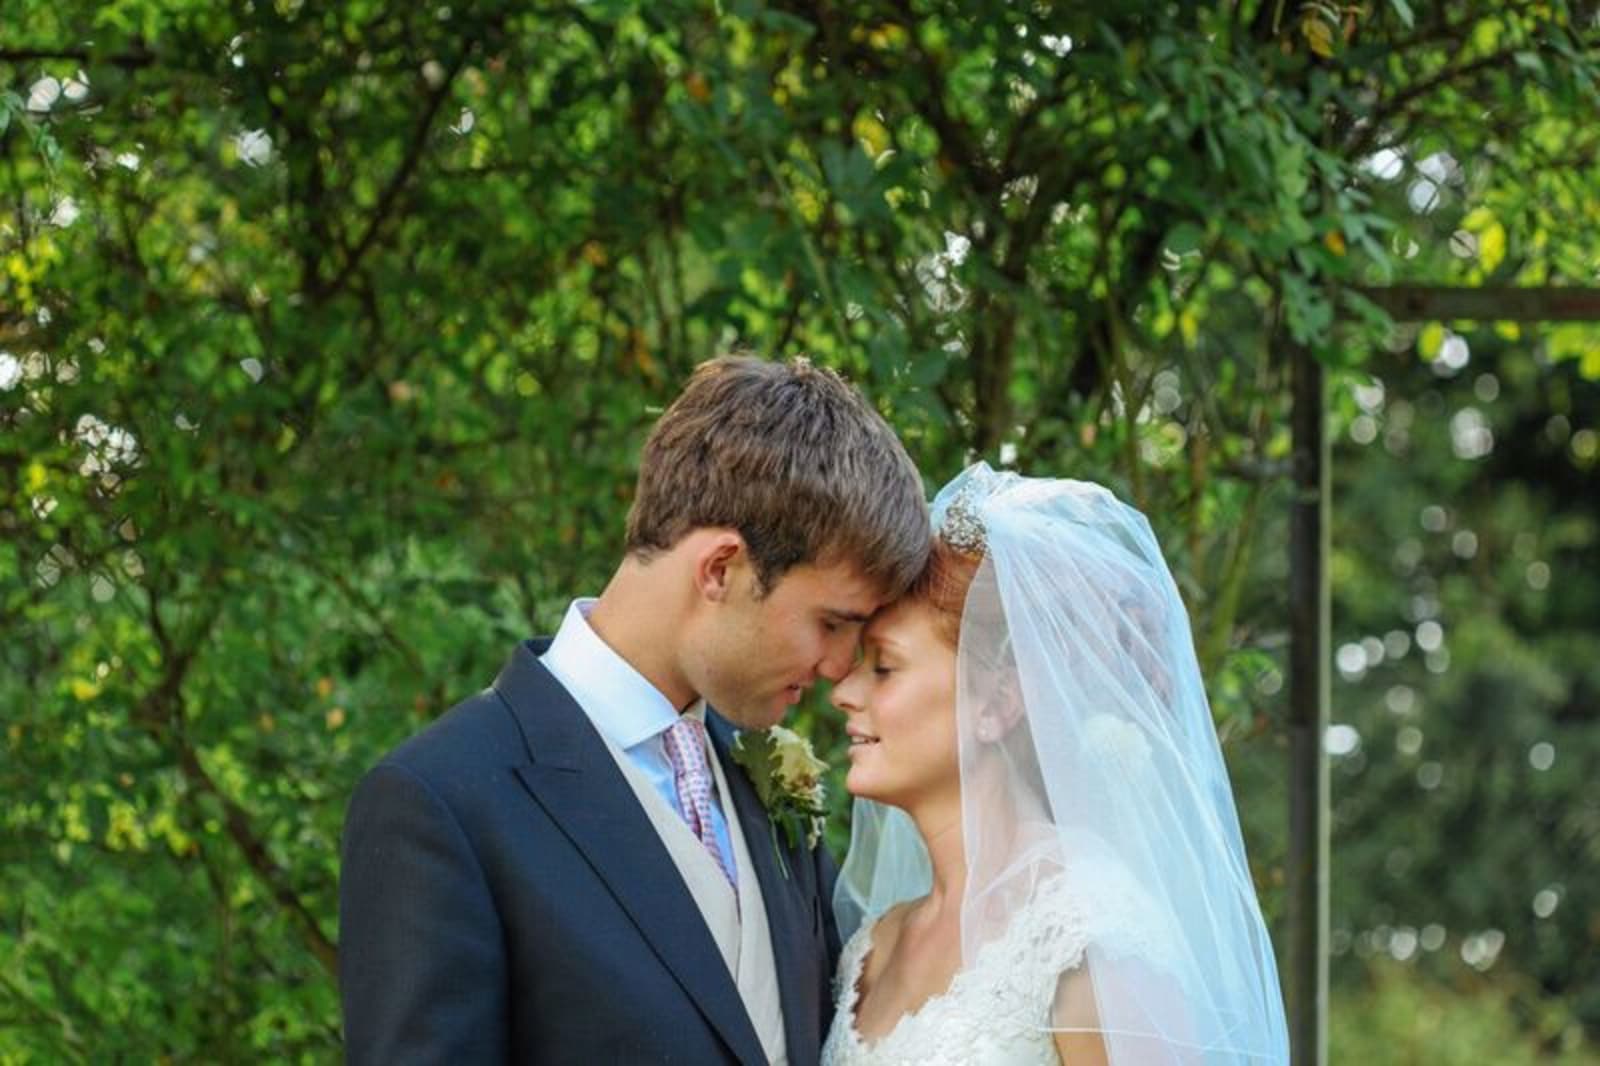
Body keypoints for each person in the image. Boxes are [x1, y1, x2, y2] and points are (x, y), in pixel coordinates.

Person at [339, 355, 929, 1064]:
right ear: (720, 568)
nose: (838, 668)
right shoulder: (441, 804)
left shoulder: (767, 787)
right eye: (831, 625)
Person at [823, 463, 1289, 1066]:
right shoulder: (875, 947)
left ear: (998, 701)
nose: (843, 691)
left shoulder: (1090, 935)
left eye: (883, 666)